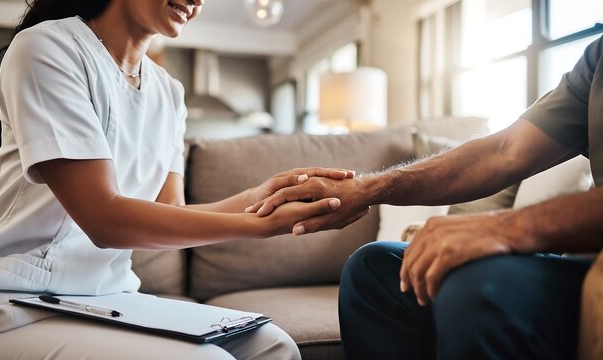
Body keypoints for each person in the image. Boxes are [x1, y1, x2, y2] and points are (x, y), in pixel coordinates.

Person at [0, 0, 360, 358]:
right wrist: (257, 226)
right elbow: (104, 219)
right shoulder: (46, 48)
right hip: (15, 299)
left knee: (274, 347)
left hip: (108, 294)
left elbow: (168, 212)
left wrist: (260, 197)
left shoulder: (168, 92)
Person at [247, 35, 603, 359]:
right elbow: (505, 150)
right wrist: (363, 189)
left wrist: (507, 227)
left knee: (478, 286)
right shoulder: (596, 58)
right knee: (374, 269)